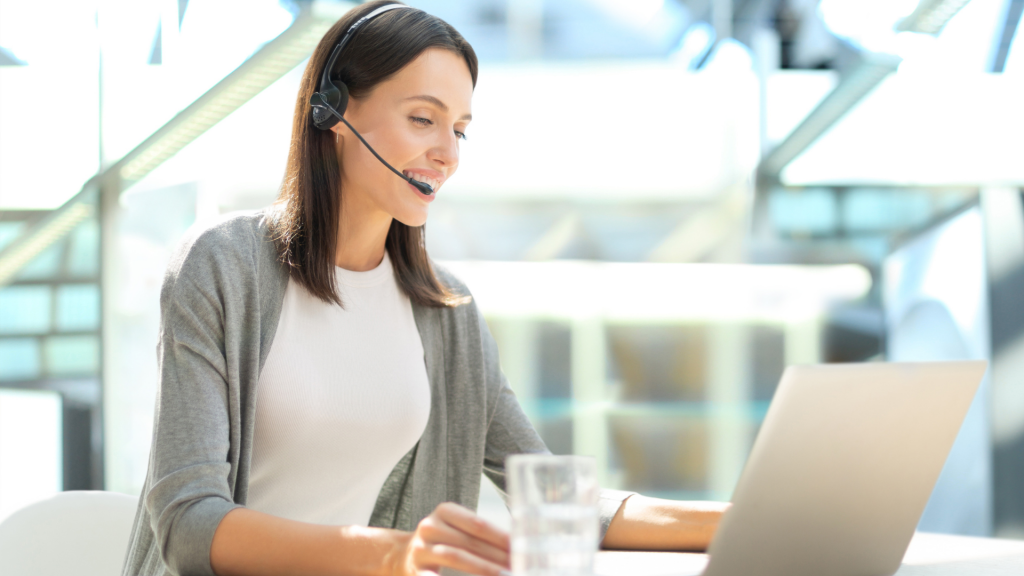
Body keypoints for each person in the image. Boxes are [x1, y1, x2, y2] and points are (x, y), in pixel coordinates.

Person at [121, 2, 729, 575]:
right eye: (422, 119)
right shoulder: (224, 264)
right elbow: (189, 522)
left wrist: (739, 519)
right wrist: (395, 556)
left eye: (459, 130)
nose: (447, 154)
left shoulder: (444, 313)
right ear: (333, 112)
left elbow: (555, 499)